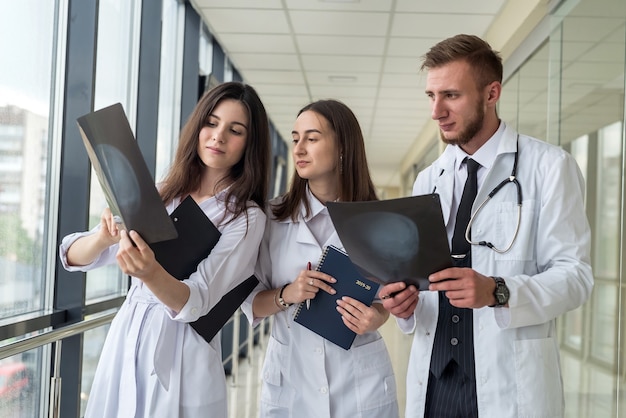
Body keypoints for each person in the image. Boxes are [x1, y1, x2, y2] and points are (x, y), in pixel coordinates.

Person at [379, 34, 594, 417]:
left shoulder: (549, 167)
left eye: (451, 95)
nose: (436, 111)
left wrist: (498, 290)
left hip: (509, 382)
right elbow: (422, 279)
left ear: (491, 93)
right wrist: (405, 306)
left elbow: (576, 277)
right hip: (435, 383)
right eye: (431, 96)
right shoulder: (429, 179)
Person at [59, 81, 270, 418]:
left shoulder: (246, 218)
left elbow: (198, 300)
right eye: (211, 123)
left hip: (183, 351)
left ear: (250, 144)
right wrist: (103, 237)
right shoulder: (164, 192)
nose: (218, 136)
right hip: (129, 335)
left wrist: (150, 272)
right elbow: (71, 256)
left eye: (235, 130)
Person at [241, 99, 399, 417]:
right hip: (291, 379)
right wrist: (288, 294)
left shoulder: (380, 221)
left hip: (360, 381)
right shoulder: (269, 218)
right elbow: (251, 304)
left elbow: (390, 298)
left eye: (311, 139)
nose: (298, 149)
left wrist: (377, 317)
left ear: (342, 147)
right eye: (296, 138)